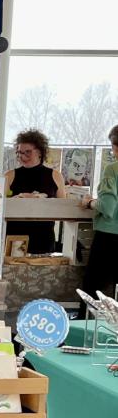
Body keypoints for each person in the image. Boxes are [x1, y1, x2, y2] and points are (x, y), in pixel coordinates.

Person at [4, 129, 66, 255]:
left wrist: (42, 201)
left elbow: (63, 208)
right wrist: (17, 199)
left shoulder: (55, 175)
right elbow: (0, 206)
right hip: (15, 237)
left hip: (44, 236)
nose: (22, 156)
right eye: (19, 152)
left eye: (28, 152)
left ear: (40, 152)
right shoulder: (9, 176)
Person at [81, 124, 118, 302]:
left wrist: (89, 202)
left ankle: (84, 320)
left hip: (110, 236)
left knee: (92, 288)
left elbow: (108, 207)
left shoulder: (112, 169)